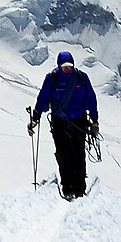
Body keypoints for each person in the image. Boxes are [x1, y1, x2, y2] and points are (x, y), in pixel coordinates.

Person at [29, 50, 100, 200]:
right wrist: (36, 116)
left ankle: (79, 188)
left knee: (78, 154)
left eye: (69, 66)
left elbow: (91, 99)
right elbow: (43, 97)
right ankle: (67, 187)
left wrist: (94, 120)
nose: (67, 68)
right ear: (59, 66)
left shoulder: (81, 77)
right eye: (64, 66)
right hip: (60, 122)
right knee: (63, 154)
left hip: (78, 121)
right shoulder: (52, 78)